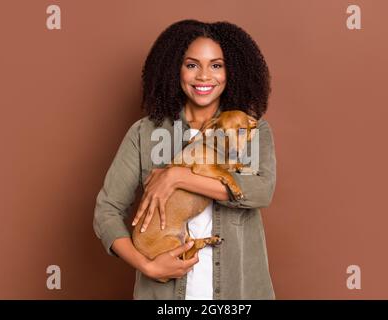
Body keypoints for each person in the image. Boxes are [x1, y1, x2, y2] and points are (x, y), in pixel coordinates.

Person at [93, 19, 277, 300]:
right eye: (192, 65)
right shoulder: (146, 133)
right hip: (163, 295)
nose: (204, 76)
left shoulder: (250, 129)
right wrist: (147, 266)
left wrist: (177, 176)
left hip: (237, 293)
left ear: (233, 71)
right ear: (174, 69)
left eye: (217, 65)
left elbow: (260, 191)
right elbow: (107, 211)